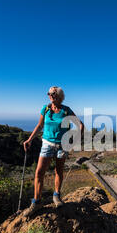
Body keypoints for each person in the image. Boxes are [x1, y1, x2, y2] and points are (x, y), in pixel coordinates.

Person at [23, 86, 84, 217]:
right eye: (49, 93)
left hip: (62, 145)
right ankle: (36, 202)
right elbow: (40, 126)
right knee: (39, 172)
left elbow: (80, 125)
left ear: (60, 96)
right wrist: (29, 140)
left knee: (59, 171)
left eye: (53, 93)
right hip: (47, 144)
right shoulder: (45, 109)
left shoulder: (66, 111)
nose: (50, 95)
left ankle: (56, 196)